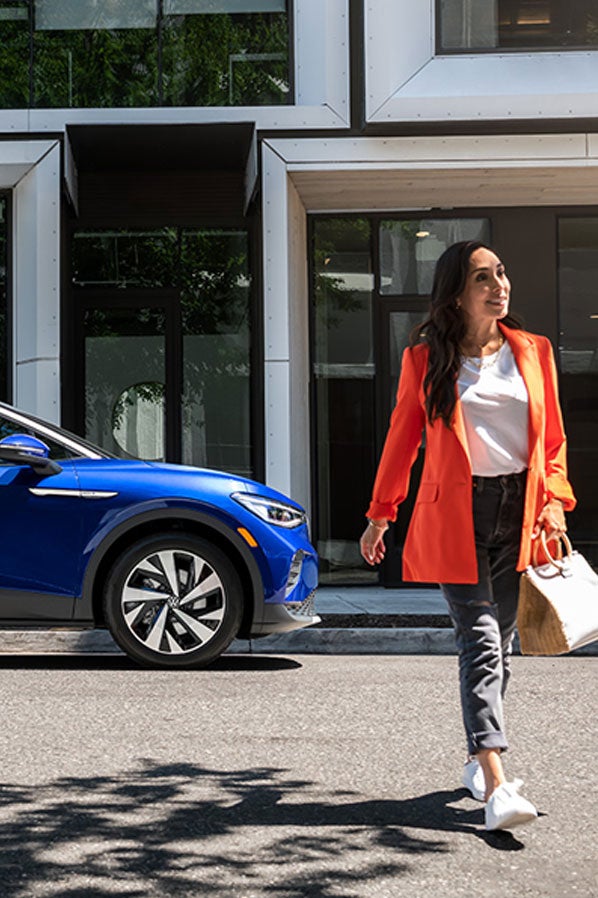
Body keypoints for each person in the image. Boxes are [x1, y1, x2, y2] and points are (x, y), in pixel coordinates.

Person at [360, 241, 576, 832]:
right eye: (484, 277)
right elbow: (402, 440)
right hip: (458, 515)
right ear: (458, 293)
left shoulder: (534, 351)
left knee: (502, 646)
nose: (500, 285)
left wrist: (555, 505)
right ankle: (497, 782)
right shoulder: (426, 360)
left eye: (502, 273)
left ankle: (477, 758)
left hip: (521, 511)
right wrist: (382, 514)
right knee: (480, 641)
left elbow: (551, 442)